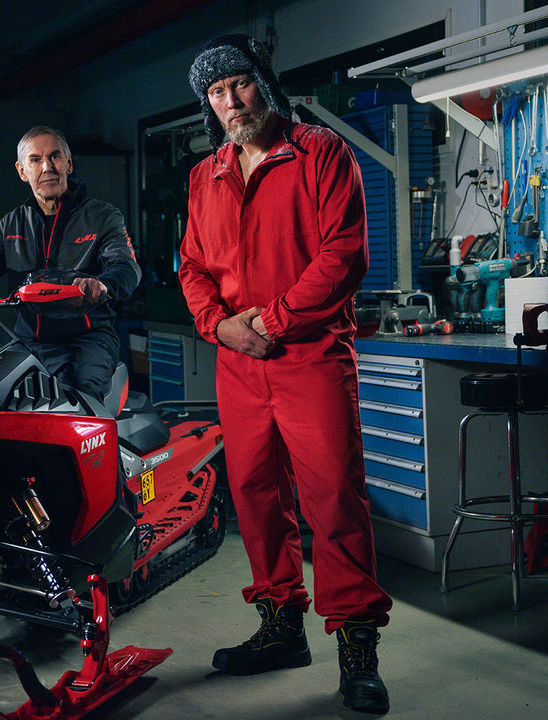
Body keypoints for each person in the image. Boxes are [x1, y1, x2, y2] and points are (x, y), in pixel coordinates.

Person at [179, 34, 392, 714]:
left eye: (238, 84)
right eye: (216, 93)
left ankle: (357, 645)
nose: (230, 101)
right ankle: (280, 627)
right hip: (239, 363)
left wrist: (268, 322)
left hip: (309, 355)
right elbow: (190, 266)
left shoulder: (322, 154)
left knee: (333, 497)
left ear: (262, 83)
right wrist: (219, 325)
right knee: (253, 495)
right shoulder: (205, 173)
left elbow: (343, 257)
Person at [0, 125, 140, 401]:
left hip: (86, 341)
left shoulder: (102, 216)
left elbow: (126, 266)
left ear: (69, 164)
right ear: (22, 171)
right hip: (28, 342)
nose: (47, 167)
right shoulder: (12, 223)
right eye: (35, 159)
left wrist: (102, 284)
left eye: (55, 157)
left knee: (79, 398)